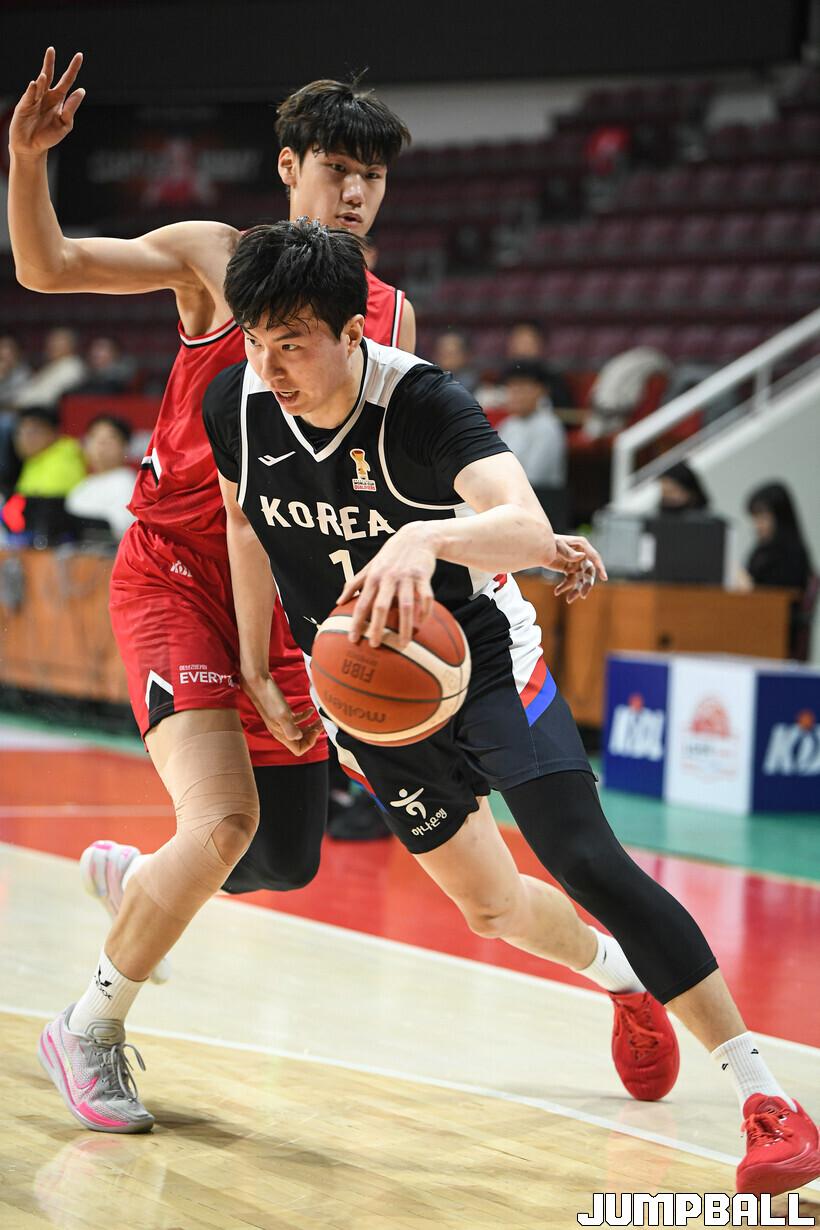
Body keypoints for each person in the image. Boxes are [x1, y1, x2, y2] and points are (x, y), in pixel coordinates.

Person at [204, 221, 819, 1198]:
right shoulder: (233, 405)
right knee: (490, 908)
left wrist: (426, 538)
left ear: (351, 331)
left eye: (291, 343)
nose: (269, 366)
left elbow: (527, 525)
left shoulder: (420, 402)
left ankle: (768, 1100)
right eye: (253, 342)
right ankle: (623, 982)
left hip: (481, 663)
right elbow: (246, 524)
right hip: (368, 698)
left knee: (582, 858)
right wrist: (255, 662)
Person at [10, 48, 415, 1132]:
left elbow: (373, 487)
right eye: (335, 169)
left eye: (371, 175)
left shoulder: (387, 315)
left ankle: (148, 877)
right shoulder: (213, 258)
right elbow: (48, 267)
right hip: (175, 575)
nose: (354, 192)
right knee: (226, 819)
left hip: (278, 590)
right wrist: (27, 162)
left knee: (281, 857)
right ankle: (88, 1029)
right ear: (288, 167)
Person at [739, 481, 815, 660]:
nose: (757, 525)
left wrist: (749, 586)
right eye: (755, 518)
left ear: (780, 517)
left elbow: (777, 596)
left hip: (777, 635)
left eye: (763, 517)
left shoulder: (793, 553)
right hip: (751, 627)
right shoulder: (760, 550)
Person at [496, 359, 567, 488]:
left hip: (538, 496)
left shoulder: (548, 427)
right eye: (511, 387)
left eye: (522, 388)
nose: (515, 394)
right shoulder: (507, 425)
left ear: (541, 391)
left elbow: (534, 477)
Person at [65, 413, 136, 541]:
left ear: (125, 446)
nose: (100, 445)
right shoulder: (83, 485)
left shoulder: (127, 482)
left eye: (109, 439)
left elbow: (121, 529)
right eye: (94, 438)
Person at [13, 404, 86, 497]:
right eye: (20, 432)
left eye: (33, 432)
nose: (24, 439)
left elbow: (43, 503)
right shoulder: (35, 459)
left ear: (54, 433)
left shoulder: (62, 463)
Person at [14, 326, 87, 409]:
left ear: (71, 346)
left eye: (56, 343)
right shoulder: (54, 365)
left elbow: (47, 399)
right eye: (50, 342)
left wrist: (17, 404)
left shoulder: (71, 368)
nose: (50, 346)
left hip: (41, 413)